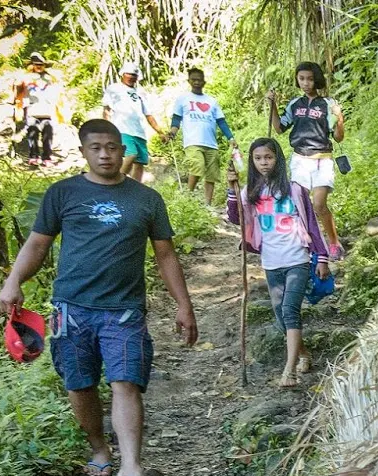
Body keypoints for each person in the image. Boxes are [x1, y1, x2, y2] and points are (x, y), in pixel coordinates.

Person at [0, 119, 198, 476]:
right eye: (96, 147)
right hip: (71, 309)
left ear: (124, 150)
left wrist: (184, 305)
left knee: (126, 382)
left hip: (124, 310)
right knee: (80, 384)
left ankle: (131, 466)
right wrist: (13, 281)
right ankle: (100, 450)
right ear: (84, 151)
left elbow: (166, 255)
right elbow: (38, 244)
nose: (105, 154)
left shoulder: (146, 199)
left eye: (112, 147)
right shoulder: (63, 193)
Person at [225, 137, 330, 387]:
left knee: (289, 310)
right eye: (258, 158)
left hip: (297, 258)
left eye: (269, 157)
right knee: (281, 318)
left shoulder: (294, 189)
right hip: (271, 261)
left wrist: (322, 257)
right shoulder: (250, 191)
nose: (264, 163)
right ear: (252, 161)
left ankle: (289, 370)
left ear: (278, 159)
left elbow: (312, 224)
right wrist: (231, 188)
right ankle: (303, 354)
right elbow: (235, 218)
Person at [268, 61, 344, 258]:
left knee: (319, 204)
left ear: (316, 80)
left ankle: (334, 243)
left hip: (322, 160)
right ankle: (307, 244)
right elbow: (279, 128)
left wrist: (339, 118)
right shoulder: (295, 104)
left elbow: (338, 137)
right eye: (301, 79)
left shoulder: (328, 104)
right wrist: (273, 105)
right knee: (300, 204)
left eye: (310, 79)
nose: (305, 83)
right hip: (300, 159)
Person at [170, 66, 233, 206]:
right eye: (194, 80)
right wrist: (172, 133)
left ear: (204, 82)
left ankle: (207, 205)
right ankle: (187, 198)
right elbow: (176, 119)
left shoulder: (212, 101)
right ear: (189, 81)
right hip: (192, 141)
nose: (197, 82)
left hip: (211, 143)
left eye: (199, 80)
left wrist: (231, 138)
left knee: (211, 175)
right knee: (197, 167)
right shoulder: (183, 99)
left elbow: (221, 121)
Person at [101, 64, 164, 181]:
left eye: (134, 75)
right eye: (128, 74)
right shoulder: (114, 88)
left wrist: (160, 132)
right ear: (122, 74)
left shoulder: (141, 92)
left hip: (139, 131)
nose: (131, 77)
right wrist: (106, 128)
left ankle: (135, 190)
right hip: (122, 129)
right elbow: (106, 109)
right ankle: (114, 183)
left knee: (140, 163)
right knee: (131, 155)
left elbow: (148, 114)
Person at [14, 53, 61, 165]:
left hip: (47, 112)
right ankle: (33, 157)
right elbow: (17, 89)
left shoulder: (50, 79)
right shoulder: (25, 77)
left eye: (41, 64)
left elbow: (56, 94)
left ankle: (47, 158)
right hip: (31, 111)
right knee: (32, 134)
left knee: (47, 135)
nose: (39, 66)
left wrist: (57, 110)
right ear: (32, 65)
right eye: (36, 64)